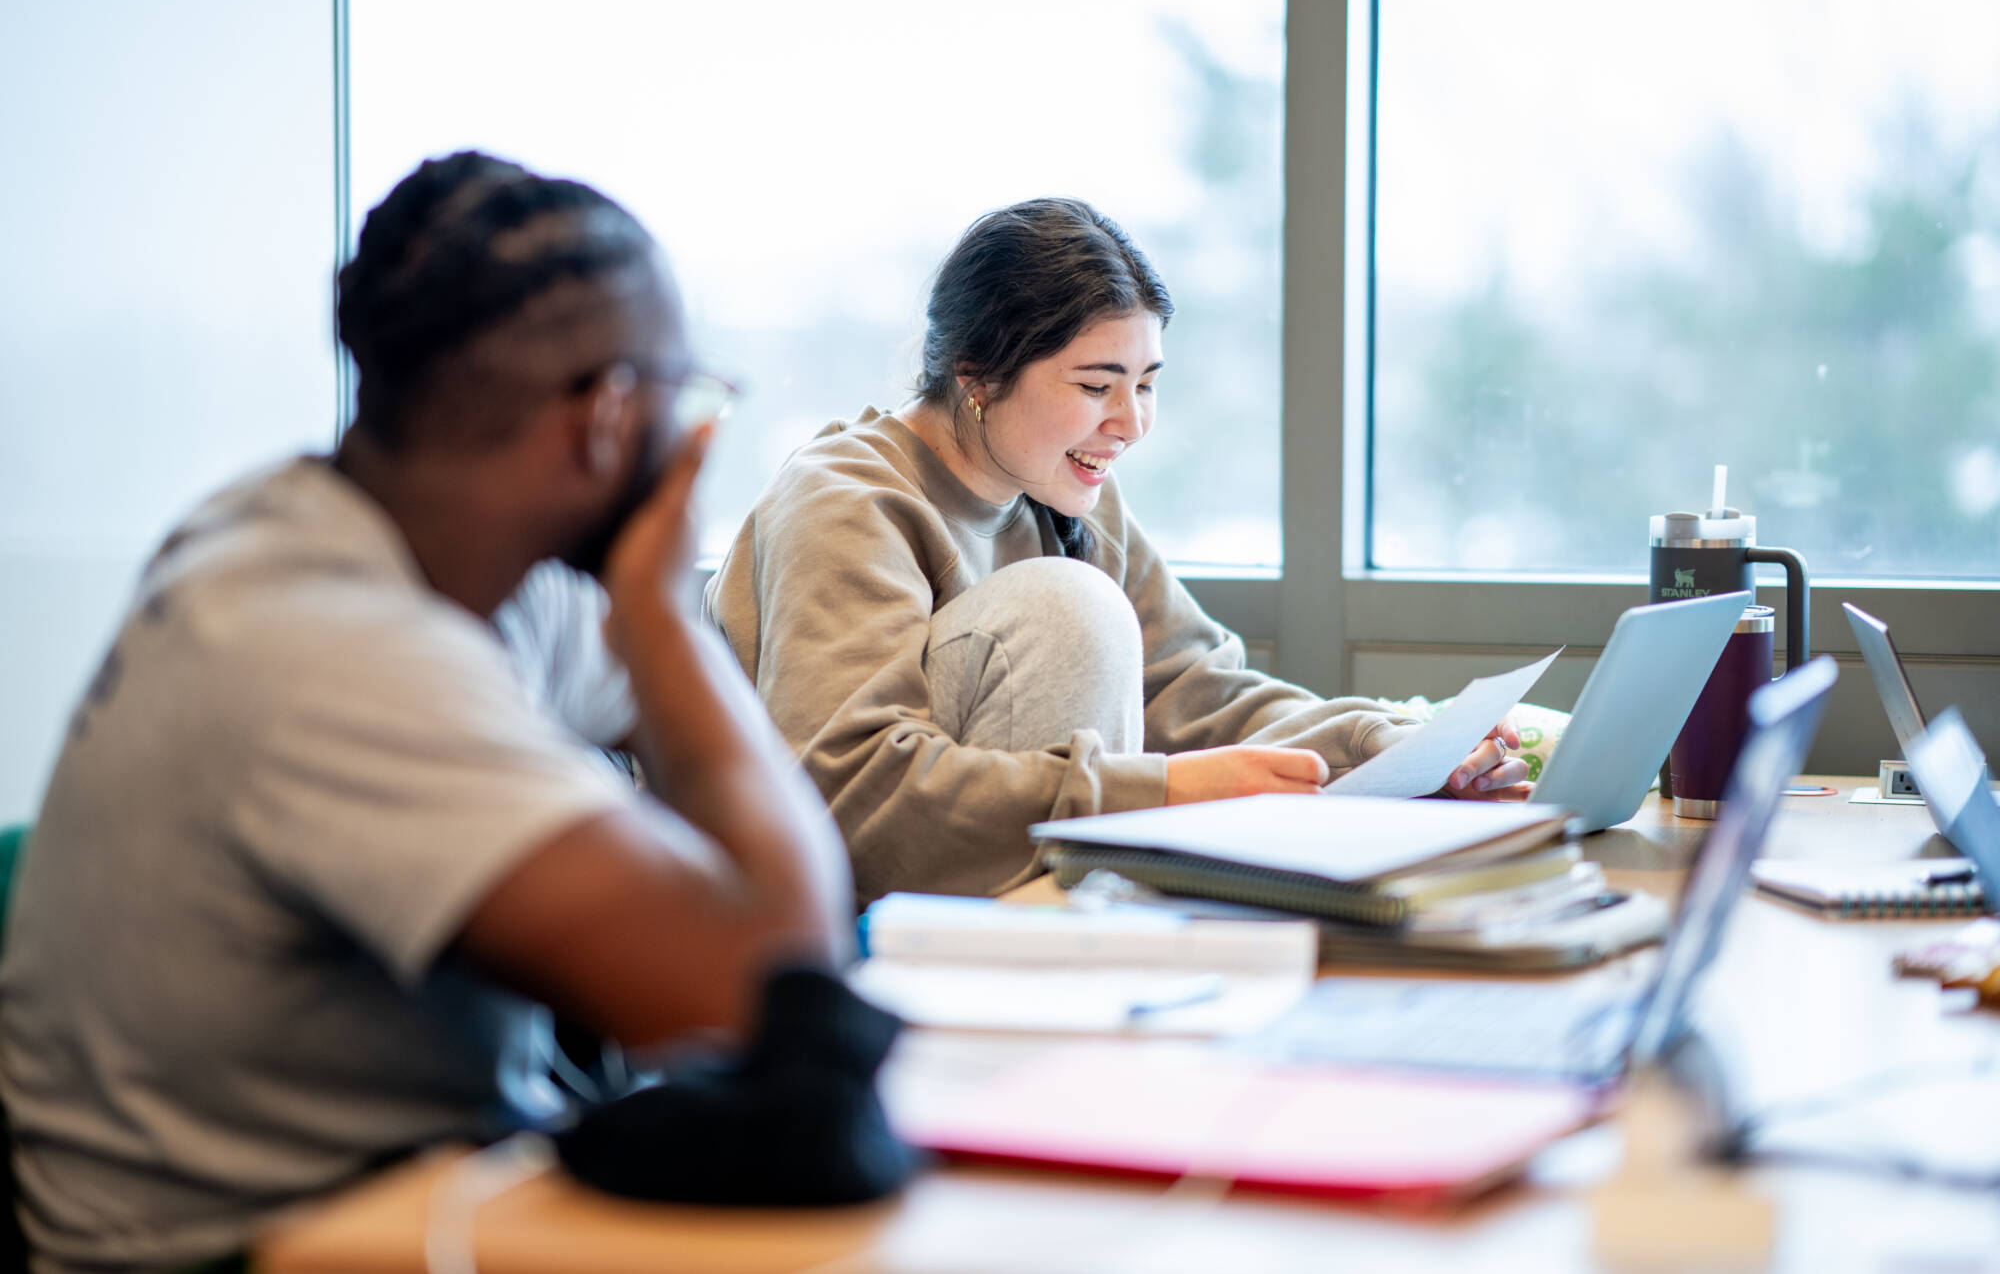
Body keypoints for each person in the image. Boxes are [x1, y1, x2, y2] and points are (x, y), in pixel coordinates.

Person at [0, 152, 854, 1273]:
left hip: (428, 1201)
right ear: (606, 416)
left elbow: (707, 768)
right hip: (252, 1253)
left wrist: (650, 633)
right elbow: (770, 990)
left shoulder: (413, 553)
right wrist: (654, 609)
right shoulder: (322, 648)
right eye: (684, 396)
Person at [706, 197, 1529, 906]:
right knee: (1069, 604)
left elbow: (1192, 690)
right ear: (977, 375)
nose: (1131, 423)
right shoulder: (844, 501)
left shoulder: (1066, 491)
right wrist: (1159, 792)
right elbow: (849, 791)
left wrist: (1383, 744)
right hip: (820, 919)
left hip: (1012, 905)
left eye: (1147, 382)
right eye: (1097, 386)